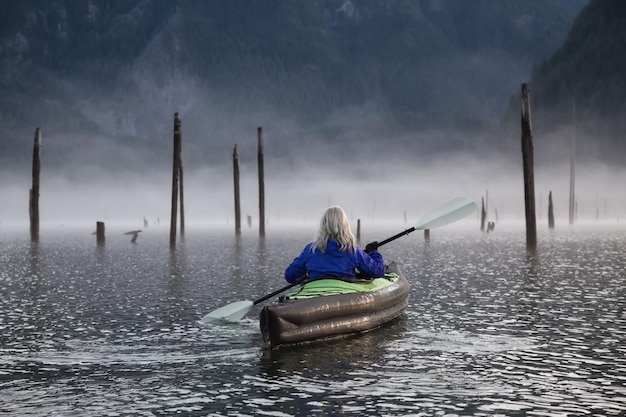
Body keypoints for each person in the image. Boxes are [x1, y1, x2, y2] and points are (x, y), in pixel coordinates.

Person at [285, 206, 385, 283]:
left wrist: (303, 276)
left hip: (315, 290)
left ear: (323, 225)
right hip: (344, 292)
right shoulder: (352, 250)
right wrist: (373, 252)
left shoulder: (311, 249)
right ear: (345, 225)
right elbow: (378, 271)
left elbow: (290, 275)